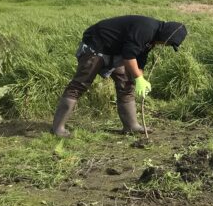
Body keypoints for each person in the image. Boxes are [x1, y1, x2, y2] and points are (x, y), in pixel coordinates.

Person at [51, 15, 188, 137]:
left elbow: (139, 60)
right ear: (166, 36)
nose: (165, 46)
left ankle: (131, 126)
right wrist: (139, 78)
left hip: (116, 52)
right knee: (79, 85)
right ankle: (58, 128)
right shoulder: (146, 29)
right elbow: (129, 57)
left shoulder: (152, 39)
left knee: (127, 84)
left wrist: (141, 79)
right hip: (97, 46)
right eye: (168, 43)